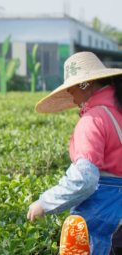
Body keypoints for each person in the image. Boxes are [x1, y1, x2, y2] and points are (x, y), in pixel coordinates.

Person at [27, 52, 122, 255]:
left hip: (104, 216)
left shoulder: (93, 120)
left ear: (85, 84)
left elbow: (84, 179)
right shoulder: (118, 111)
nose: (69, 92)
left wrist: (45, 202)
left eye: (71, 86)